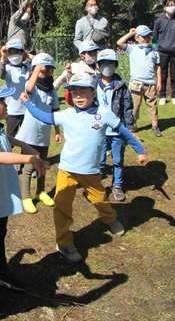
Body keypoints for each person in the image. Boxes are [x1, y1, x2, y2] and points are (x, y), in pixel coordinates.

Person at [20, 72, 146, 264]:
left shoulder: (103, 114)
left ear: (93, 93)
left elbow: (124, 132)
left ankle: (110, 219)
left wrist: (139, 150)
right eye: (75, 92)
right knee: (62, 205)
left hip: (91, 172)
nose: (79, 96)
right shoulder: (67, 114)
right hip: (67, 169)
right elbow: (44, 117)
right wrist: (27, 103)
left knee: (100, 199)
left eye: (83, 92)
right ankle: (64, 243)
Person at [0, 81, 49, 316]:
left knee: (0, 235)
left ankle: (1, 272)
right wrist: (29, 160)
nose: (5, 104)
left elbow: (7, 140)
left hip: (1, 196)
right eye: (1, 101)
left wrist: (24, 145)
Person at [15, 53, 62, 214]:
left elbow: (55, 111)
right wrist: (36, 70)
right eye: (43, 70)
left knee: (43, 165)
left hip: (44, 134)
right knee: (29, 166)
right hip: (30, 134)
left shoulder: (51, 90)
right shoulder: (32, 87)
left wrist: (57, 131)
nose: (46, 72)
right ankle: (26, 196)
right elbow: (28, 88)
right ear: (34, 70)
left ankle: (40, 191)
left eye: (49, 70)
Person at [95, 49, 137, 202]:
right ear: (98, 66)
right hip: (98, 131)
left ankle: (117, 185)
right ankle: (97, 185)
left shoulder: (121, 85)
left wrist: (130, 127)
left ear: (116, 65)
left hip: (117, 131)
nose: (107, 66)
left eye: (110, 63)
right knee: (99, 160)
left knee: (118, 159)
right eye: (104, 63)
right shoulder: (93, 85)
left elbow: (127, 107)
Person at [116, 26, 162, 137]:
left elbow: (158, 66)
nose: (146, 38)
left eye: (148, 36)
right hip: (136, 82)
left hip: (151, 82)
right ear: (137, 38)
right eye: (143, 36)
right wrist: (130, 33)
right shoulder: (132, 48)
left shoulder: (154, 50)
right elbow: (119, 42)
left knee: (152, 104)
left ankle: (155, 126)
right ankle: (133, 125)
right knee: (135, 105)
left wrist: (159, 81)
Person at [0, 38, 31, 137]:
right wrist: (2, 57)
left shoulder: (28, 67)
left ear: (22, 52)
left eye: (17, 52)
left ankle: (27, 153)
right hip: (13, 111)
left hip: (28, 110)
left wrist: (29, 56)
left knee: (27, 138)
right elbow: (0, 74)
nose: (14, 55)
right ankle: (6, 152)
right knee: (10, 138)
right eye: (10, 52)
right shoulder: (8, 68)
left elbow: (42, 66)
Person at [153, 0, 175, 105]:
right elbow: (155, 36)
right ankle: (162, 95)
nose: (171, 7)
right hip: (162, 52)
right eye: (169, 5)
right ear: (165, 7)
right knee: (163, 74)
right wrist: (161, 45)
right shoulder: (159, 21)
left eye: (173, 5)